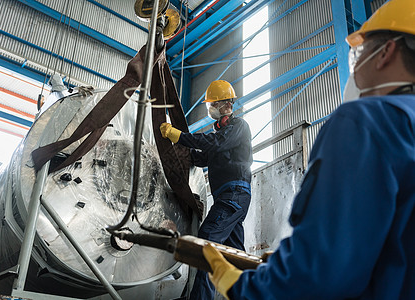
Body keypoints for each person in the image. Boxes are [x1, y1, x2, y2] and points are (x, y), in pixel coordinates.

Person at [200, 0, 415, 299]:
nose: (354, 66)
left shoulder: (368, 122)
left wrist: (245, 290)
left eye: (358, 54)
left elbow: (318, 272)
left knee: (208, 241)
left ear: (386, 52)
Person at [160, 80, 253, 300]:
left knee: (207, 240)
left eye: (212, 104)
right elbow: (203, 157)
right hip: (228, 197)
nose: (210, 108)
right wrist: (177, 152)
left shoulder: (238, 127)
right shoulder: (222, 135)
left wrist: (179, 136)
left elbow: (215, 143)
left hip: (234, 194)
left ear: (225, 105)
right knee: (235, 255)